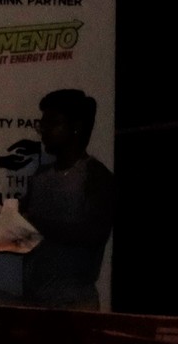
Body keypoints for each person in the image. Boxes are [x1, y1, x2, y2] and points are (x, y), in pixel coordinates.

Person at [10, 88, 117, 308]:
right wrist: (14, 220)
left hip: (73, 306)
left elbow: (93, 234)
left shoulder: (95, 176)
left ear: (76, 127)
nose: (44, 131)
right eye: (42, 124)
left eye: (52, 123)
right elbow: (26, 233)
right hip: (33, 303)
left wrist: (36, 222)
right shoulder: (40, 176)